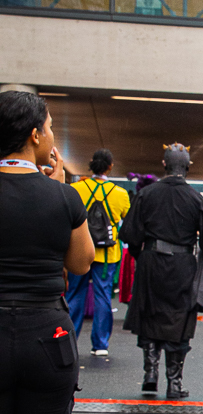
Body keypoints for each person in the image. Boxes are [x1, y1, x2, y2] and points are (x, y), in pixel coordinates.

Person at [0, 90, 95, 414]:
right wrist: (59, 192)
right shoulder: (63, 196)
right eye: (51, 126)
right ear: (35, 135)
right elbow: (80, 263)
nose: (53, 134)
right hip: (47, 335)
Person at [119, 143, 203, 399]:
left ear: (164, 164)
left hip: (150, 261)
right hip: (182, 265)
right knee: (180, 320)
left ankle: (150, 374)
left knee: (149, 316)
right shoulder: (196, 199)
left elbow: (131, 236)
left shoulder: (146, 195)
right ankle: (174, 383)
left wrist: (144, 255)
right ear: (188, 166)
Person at [68, 150, 130, 363]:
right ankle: (101, 344)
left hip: (78, 250)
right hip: (107, 254)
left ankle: (70, 341)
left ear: (91, 164)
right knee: (103, 296)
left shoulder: (76, 189)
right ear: (110, 167)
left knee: (75, 294)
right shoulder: (120, 193)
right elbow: (127, 221)